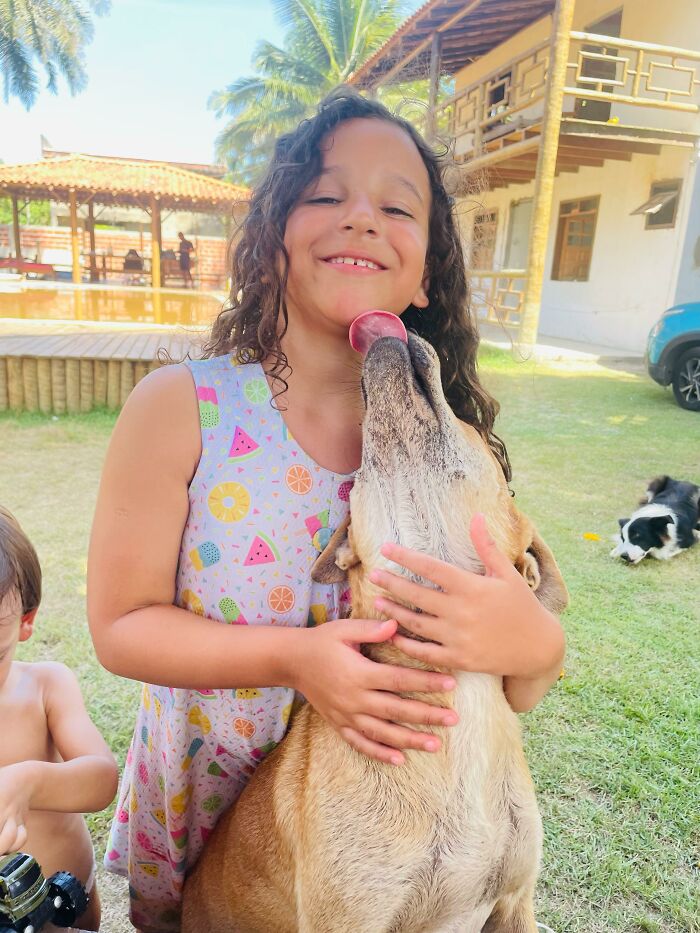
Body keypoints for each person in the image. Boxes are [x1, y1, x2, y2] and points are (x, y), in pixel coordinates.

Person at [87, 88, 565, 933]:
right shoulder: (178, 408)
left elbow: (516, 668)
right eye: (324, 194)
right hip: (212, 794)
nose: (361, 219)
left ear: (426, 271)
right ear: (273, 239)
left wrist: (539, 639)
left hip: (395, 796)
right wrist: (301, 659)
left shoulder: (454, 443)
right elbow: (120, 624)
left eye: (396, 205)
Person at [0, 506, 118, 932]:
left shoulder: (46, 686)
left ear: (25, 622)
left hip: (69, 894)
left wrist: (26, 782)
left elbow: (102, 779)